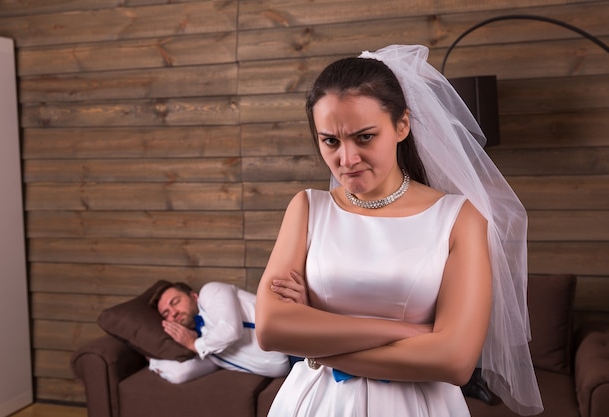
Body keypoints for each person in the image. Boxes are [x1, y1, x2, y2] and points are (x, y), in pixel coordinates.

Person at [255, 45, 543, 416]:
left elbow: (454, 360)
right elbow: (270, 329)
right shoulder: (308, 208)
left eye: (364, 137)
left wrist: (315, 336)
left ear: (401, 125)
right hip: (316, 404)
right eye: (330, 141)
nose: (346, 159)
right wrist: (412, 332)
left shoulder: (460, 218)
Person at [147, 281, 290, 384]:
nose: (173, 313)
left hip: (296, 346)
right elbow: (180, 373)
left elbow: (230, 330)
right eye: (166, 313)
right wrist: (152, 359)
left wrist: (194, 344)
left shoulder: (210, 292)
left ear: (193, 296)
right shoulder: (207, 348)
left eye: (175, 302)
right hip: (291, 373)